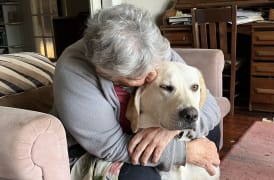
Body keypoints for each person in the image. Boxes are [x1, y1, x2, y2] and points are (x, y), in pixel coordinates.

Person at [51, 3, 221, 180]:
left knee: (210, 130)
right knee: (140, 176)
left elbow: (209, 106)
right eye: (140, 76)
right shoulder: (73, 72)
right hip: (92, 148)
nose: (153, 75)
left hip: (140, 133)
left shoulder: (150, 48)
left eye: (155, 66)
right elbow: (111, 146)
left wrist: (170, 131)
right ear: (105, 72)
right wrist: (184, 152)